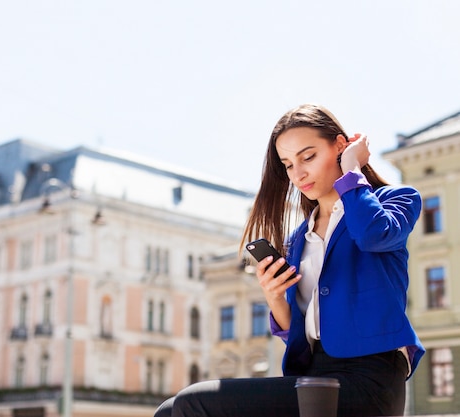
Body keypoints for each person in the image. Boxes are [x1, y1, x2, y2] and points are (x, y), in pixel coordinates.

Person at [154, 103, 424, 417]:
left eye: (308, 157)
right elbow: (297, 334)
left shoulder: (395, 200)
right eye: (288, 164)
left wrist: (352, 171)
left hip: (367, 379)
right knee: (169, 410)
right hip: (312, 376)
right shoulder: (299, 239)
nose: (299, 173)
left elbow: (371, 235)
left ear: (340, 145)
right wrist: (274, 297)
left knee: (193, 402)